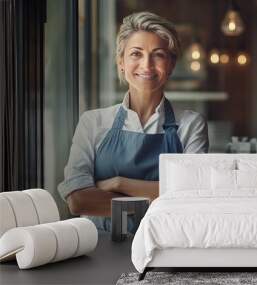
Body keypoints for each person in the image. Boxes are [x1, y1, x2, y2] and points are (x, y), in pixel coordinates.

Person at [58, 12, 209, 232]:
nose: (146, 65)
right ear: (121, 62)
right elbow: (79, 202)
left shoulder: (190, 125)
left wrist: (119, 184)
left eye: (158, 55)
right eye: (136, 54)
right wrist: (159, 195)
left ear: (171, 64)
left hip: (165, 244)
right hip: (98, 246)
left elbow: (191, 198)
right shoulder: (92, 122)